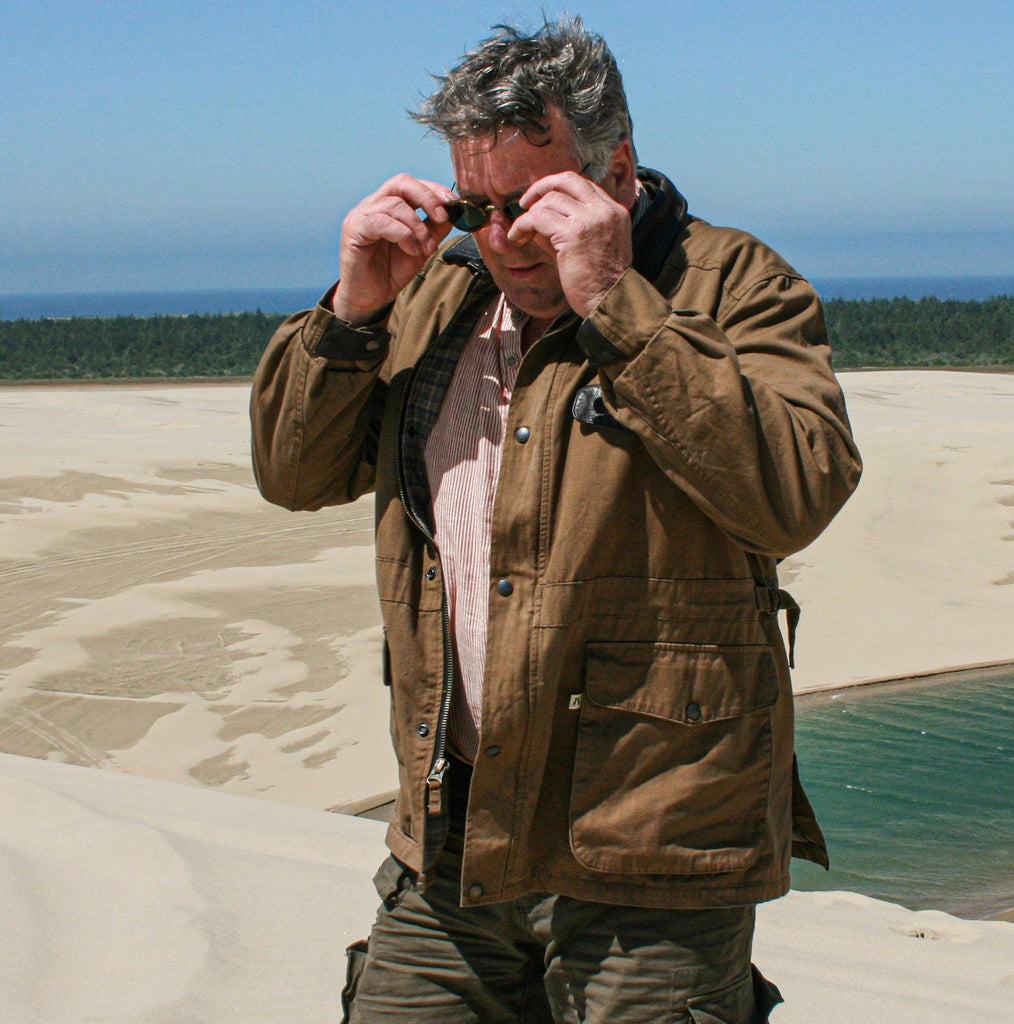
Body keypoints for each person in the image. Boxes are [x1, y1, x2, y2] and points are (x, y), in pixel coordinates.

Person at [250, 17, 861, 1024]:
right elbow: (291, 470)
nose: (499, 239)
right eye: (473, 206)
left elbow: (794, 493)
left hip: (652, 851)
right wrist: (352, 311)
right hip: (449, 843)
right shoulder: (433, 292)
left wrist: (619, 302)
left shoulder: (732, 283)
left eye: (529, 204)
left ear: (614, 168)